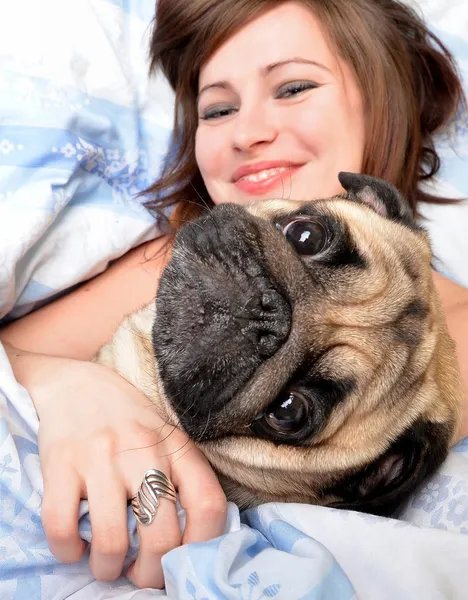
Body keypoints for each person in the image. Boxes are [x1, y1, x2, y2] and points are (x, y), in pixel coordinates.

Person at [1, 0, 467, 591]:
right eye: (217, 109)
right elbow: (13, 356)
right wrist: (75, 389)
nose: (248, 132)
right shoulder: (177, 262)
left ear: (385, 101)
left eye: (293, 87)